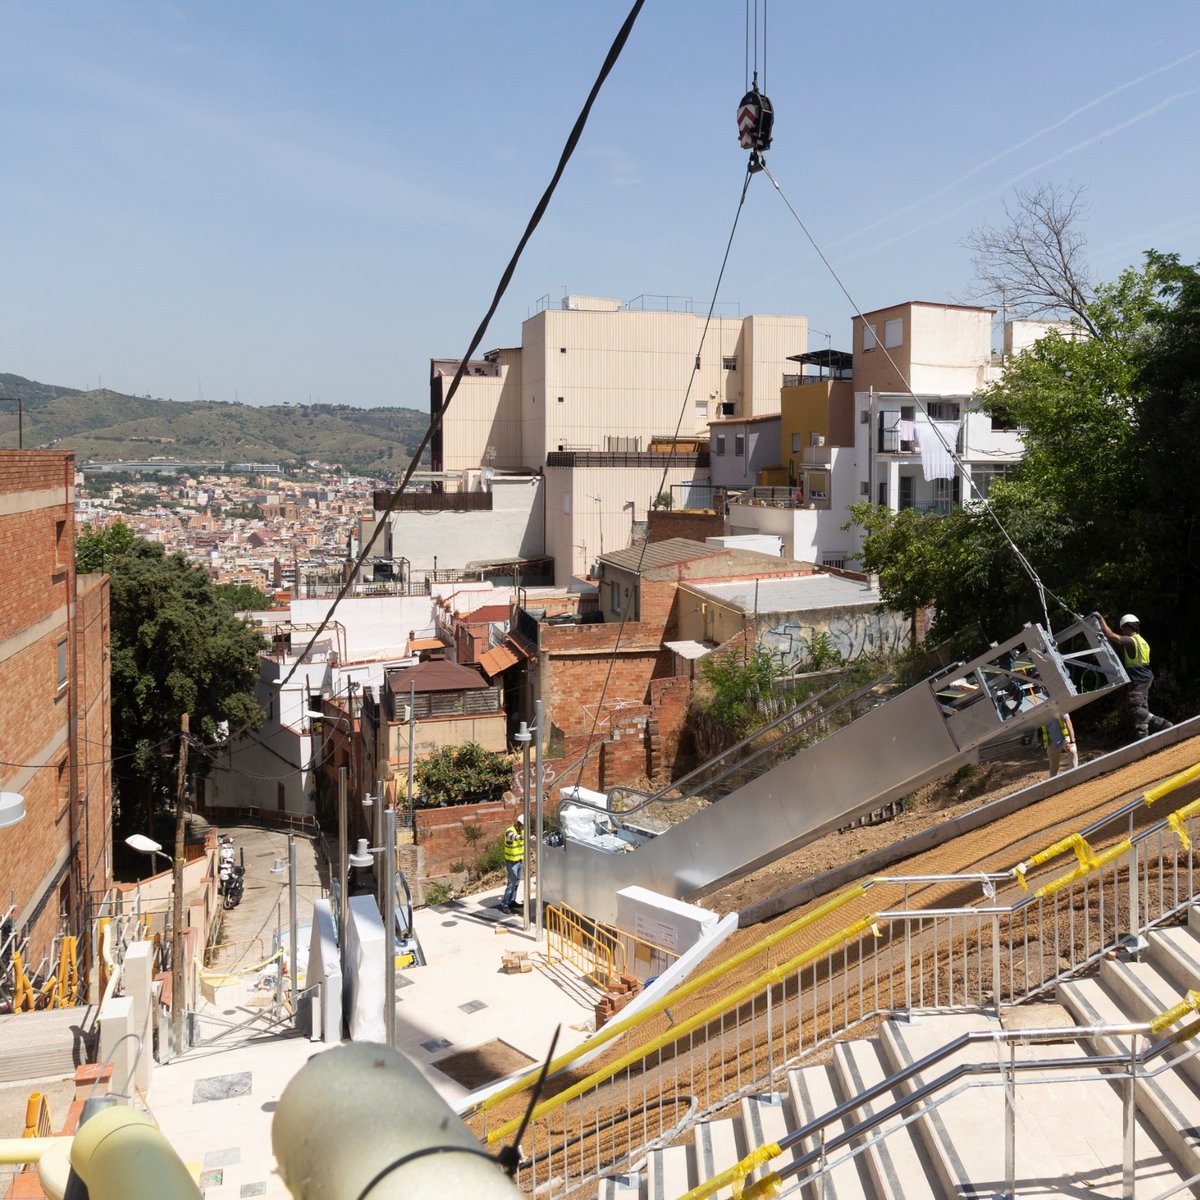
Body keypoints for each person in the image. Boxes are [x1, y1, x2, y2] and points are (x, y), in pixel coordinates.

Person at [1098, 613, 1173, 740]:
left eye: (1122, 628)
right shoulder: (1142, 641)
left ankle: (1160, 722)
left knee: (1134, 707)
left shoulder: (1131, 640)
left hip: (1138, 679)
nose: (1122, 631)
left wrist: (1101, 620)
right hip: (1145, 676)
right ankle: (1143, 735)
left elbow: (1110, 635)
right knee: (1142, 706)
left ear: (1127, 627)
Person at [1038, 713, 1077, 778]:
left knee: (1072, 750)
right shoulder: (1043, 714)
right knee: (1053, 767)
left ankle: (1074, 774)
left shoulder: (1060, 708)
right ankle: (1054, 780)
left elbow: (1069, 723)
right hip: (1052, 743)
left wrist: (1072, 741)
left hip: (1064, 738)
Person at [499, 813, 524, 914]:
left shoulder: (522, 831)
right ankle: (505, 904)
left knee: (516, 883)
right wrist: (521, 837)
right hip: (511, 862)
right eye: (522, 825)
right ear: (518, 823)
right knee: (511, 883)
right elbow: (512, 837)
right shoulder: (510, 831)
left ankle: (512, 901)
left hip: (519, 861)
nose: (523, 827)